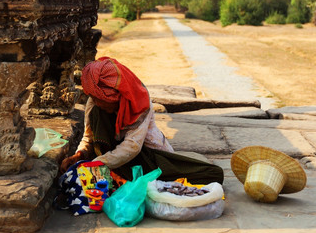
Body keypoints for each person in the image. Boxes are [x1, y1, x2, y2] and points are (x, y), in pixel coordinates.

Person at [60, 57, 224, 184]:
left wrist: (96, 163)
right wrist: (79, 156)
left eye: (100, 100)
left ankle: (119, 175)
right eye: (93, 98)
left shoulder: (139, 102)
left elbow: (132, 147)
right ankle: (116, 175)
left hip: (147, 155)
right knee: (97, 113)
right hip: (111, 157)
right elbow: (89, 137)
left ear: (115, 96)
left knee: (212, 174)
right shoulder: (96, 100)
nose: (96, 102)